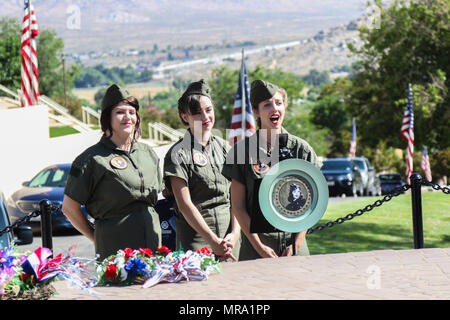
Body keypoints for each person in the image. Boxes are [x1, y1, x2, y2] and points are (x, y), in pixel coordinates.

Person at [62, 84, 163, 261]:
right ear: (107, 117)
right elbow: (69, 209)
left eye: (132, 112)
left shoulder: (148, 154)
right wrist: (97, 238)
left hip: (153, 247)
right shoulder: (91, 159)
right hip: (115, 252)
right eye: (120, 112)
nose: (127, 117)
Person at [222, 79, 320, 261]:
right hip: (256, 248)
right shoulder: (242, 152)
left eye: (279, 103)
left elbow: (312, 202)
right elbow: (238, 206)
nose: (274, 109)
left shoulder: (301, 149)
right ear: (255, 112)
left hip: (295, 246)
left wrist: (296, 244)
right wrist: (259, 247)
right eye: (267, 105)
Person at [163, 79, 240, 261]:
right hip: (197, 242)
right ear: (184, 117)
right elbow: (185, 205)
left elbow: (237, 197)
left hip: (230, 241)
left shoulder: (226, 149)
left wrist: (235, 234)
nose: (205, 118)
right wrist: (213, 242)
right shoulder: (178, 153)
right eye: (197, 113)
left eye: (208, 110)